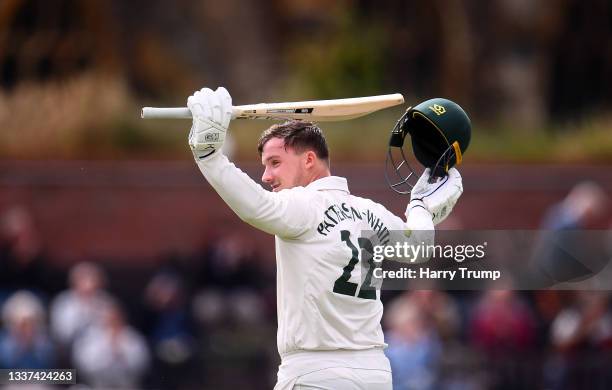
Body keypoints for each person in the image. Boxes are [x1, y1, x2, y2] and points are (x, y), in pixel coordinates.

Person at [186, 87, 464, 389]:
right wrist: (420, 206)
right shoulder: (371, 211)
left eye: (275, 162)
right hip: (374, 375)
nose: (265, 176)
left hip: (315, 374)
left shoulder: (304, 206)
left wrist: (209, 156)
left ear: (309, 160)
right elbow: (419, 245)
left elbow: (254, 206)